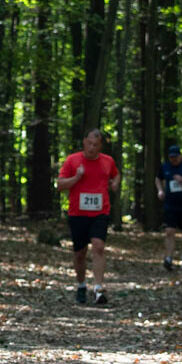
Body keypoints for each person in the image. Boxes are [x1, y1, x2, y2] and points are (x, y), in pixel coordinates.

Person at [56, 129, 121, 306]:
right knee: (79, 253)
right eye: (89, 143)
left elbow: (116, 175)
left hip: (100, 212)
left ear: (100, 146)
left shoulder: (108, 161)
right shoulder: (72, 160)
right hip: (78, 213)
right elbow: (60, 185)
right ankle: (81, 285)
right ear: (84, 141)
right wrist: (77, 177)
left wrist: (115, 183)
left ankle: (98, 288)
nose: (92, 147)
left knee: (98, 247)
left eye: (96, 145)